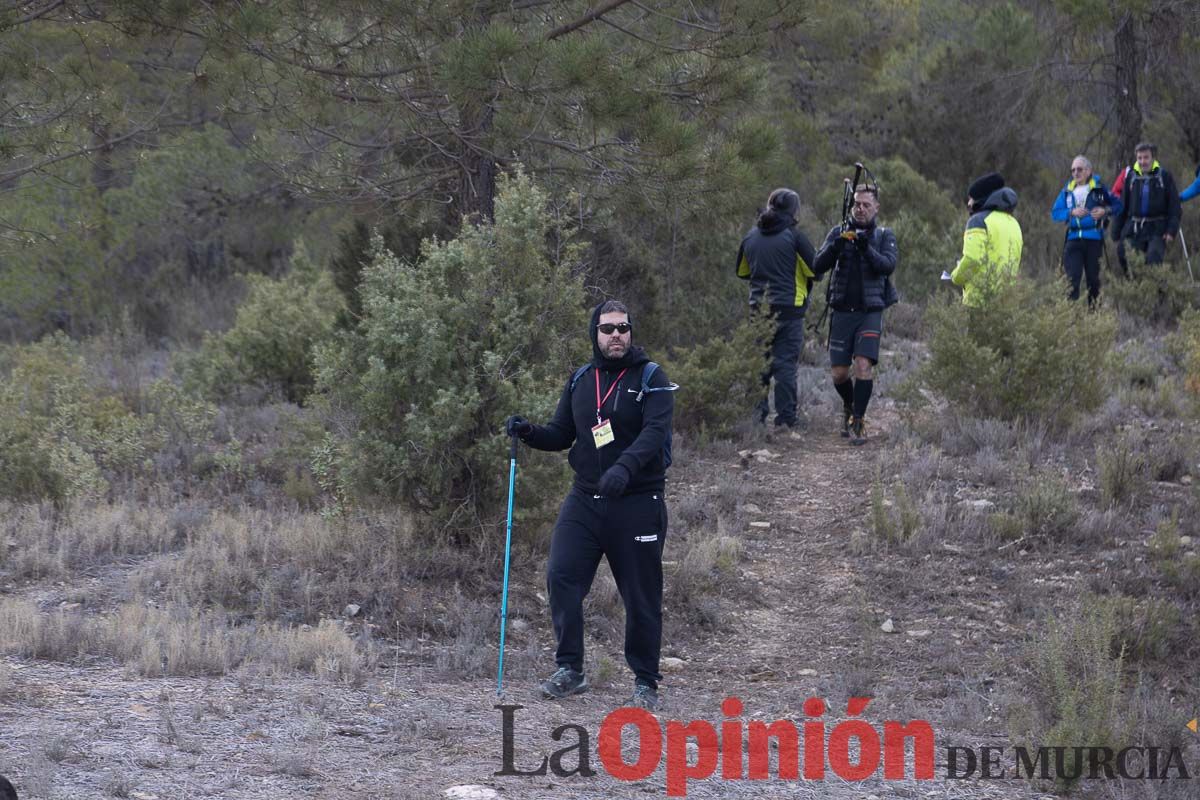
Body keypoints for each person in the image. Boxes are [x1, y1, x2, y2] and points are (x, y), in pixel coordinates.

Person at [505, 300, 675, 711]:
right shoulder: (582, 379)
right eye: (607, 329)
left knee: (640, 595)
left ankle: (645, 682)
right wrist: (529, 432)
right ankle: (570, 670)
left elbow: (655, 433)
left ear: (631, 332)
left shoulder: (651, 378)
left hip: (637, 501)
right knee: (561, 576)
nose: (615, 335)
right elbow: (563, 434)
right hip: (585, 500)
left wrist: (625, 468)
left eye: (622, 327)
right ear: (595, 335)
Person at [812, 184, 898, 446]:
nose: (860, 209)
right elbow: (816, 266)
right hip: (841, 311)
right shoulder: (838, 231)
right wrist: (835, 247)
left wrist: (865, 247)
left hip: (869, 312)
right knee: (839, 373)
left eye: (866, 205)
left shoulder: (884, 235)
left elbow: (887, 265)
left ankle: (859, 421)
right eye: (857, 204)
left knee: (862, 365)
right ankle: (849, 407)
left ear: (876, 208)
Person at [735, 188, 818, 432]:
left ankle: (755, 418)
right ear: (794, 211)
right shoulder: (795, 237)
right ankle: (785, 419)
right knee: (785, 366)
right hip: (790, 310)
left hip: (758, 311)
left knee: (758, 365)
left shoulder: (750, 237)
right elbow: (816, 270)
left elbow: (742, 272)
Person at [1050, 156, 1121, 305]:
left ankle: (1094, 318)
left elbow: (1118, 206)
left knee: (1093, 282)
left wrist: (1105, 210)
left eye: (1079, 169)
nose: (1076, 173)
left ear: (1088, 171)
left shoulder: (1099, 188)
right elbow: (1055, 212)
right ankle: (1070, 319)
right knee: (1071, 281)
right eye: (1073, 170)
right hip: (1073, 240)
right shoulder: (1067, 191)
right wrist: (1071, 212)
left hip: (1094, 240)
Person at [950, 172, 1022, 306]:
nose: (969, 203)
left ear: (979, 199)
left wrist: (956, 276)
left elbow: (973, 259)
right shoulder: (1014, 224)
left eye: (971, 198)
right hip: (1007, 304)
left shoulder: (977, 221)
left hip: (979, 302)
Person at [1111, 142, 1181, 267]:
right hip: (1134, 228)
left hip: (1157, 228)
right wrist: (1116, 233)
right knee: (1125, 255)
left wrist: (1171, 230)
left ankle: (1155, 286)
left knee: (1153, 259)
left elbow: (1174, 206)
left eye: (1146, 157)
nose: (1143, 161)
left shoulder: (1164, 177)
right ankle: (1134, 285)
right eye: (1139, 158)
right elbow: (1122, 206)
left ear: (1152, 158)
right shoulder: (1131, 177)